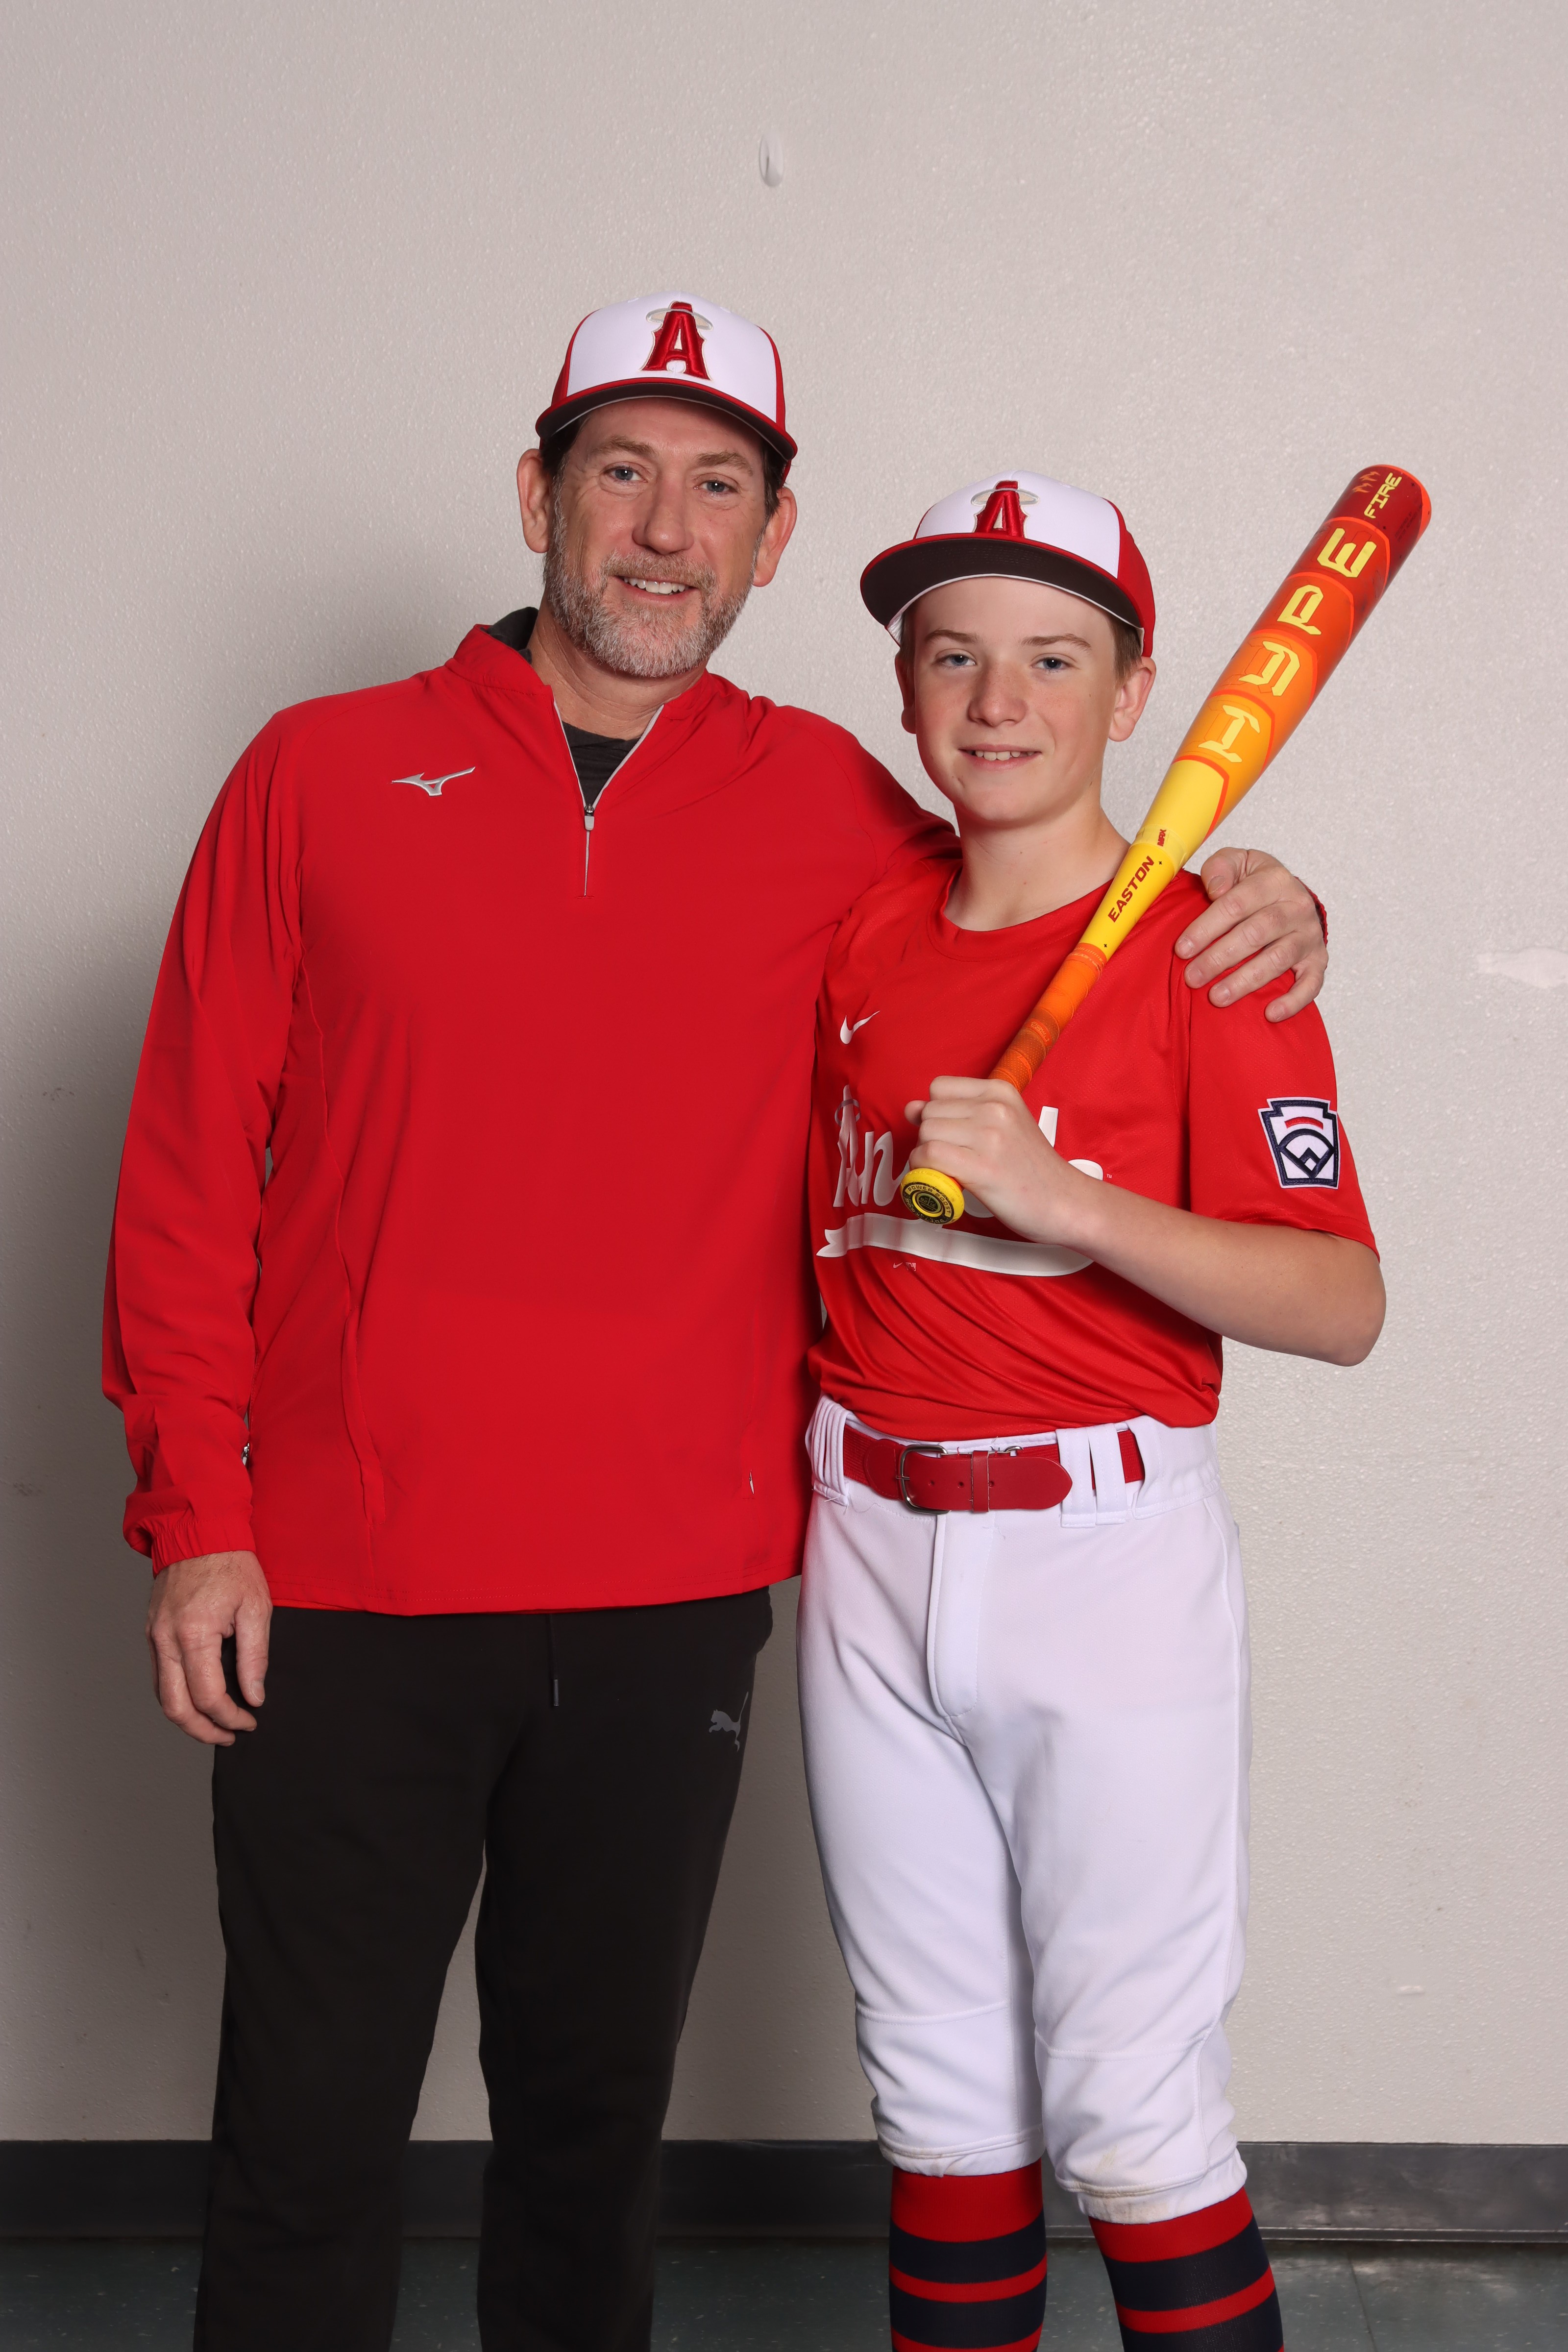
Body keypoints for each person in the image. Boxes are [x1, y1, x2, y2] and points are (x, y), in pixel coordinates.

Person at [103, 296, 1331, 2352]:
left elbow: (1058, 890)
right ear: (537, 497)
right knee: (305, 2137)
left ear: (774, 536)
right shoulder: (316, 773)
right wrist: (196, 1516)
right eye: (621, 472)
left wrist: (1269, 901)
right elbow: (183, 1167)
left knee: (592, 2144)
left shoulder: (839, 810)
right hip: (341, 1571)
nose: (665, 531)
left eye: (718, 485)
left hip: (670, 1587)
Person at [797, 470, 1384, 2352]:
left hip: (1098, 1556)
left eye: (1054, 659)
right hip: (860, 1540)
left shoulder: (1218, 954)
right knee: (938, 2100)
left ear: (1135, 695)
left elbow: (1344, 1306)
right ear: (904, 688)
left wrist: (1078, 1205)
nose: (999, 702)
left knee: (1134, 2113)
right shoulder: (860, 924)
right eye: (953, 657)